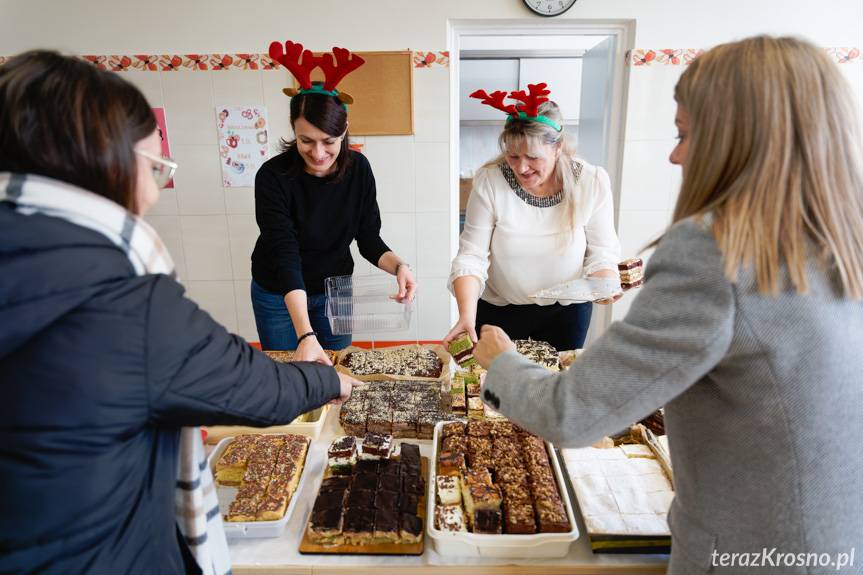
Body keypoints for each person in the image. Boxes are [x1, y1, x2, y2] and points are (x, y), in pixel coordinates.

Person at [474, 36, 863, 574]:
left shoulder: (714, 247)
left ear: (738, 138)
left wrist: (499, 360)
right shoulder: (842, 235)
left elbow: (572, 412)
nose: (674, 154)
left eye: (684, 134)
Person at [0, 50, 358, 575]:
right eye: (154, 168)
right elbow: (257, 388)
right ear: (104, 164)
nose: (154, 191)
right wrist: (331, 383)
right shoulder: (122, 299)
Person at [251, 40, 417, 361]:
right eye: (305, 141)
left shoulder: (359, 170)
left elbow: (368, 238)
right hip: (278, 291)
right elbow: (286, 255)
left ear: (344, 132)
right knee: (292, 369)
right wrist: (306, 334)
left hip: (334, 290)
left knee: (338, 364)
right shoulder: (273, 177)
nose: (317, 153)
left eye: (329, 141)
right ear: (293, 132)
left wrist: (399, 266)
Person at [444, 84, 621, 351]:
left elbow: (602, 251)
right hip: (499, 313)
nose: (521, 167)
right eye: (513, 156)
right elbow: (471, 256)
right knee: (494, 388)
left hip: (567, 314)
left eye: (532, 157)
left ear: (558, 147)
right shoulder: (491, 181)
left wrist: (604, 282)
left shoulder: (591, 181)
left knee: (555, 387)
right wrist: (466, 315)